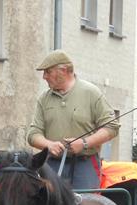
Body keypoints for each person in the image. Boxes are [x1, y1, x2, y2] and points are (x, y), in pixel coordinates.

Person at [27, 49, 119, 189]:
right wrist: (49, 145)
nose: (44, 77)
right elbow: (33, 135)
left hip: (86, 164)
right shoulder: (44, 99)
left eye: (48, 72)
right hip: (52, 164)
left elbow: (111, 127)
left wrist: (84, 143)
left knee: (85, 204)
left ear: (63, 70)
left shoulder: (91, 93)